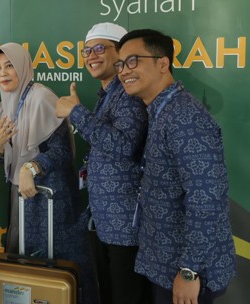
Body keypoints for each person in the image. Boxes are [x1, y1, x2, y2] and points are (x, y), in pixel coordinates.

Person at [116, 29, 235, 304]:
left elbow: (207, 198)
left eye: (133, 61)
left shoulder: (185, 117)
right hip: (165, 264)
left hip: (189, 273)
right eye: (120, 64)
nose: (124, 71)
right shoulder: (160, 110)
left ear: (163, 63)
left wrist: (190, 271)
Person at [0, 42, 98, 304]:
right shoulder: (4, 106)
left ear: (23, 67)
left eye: (9, 66)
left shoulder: (41, 98)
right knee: (26, 271)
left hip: (50, 199)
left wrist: (32, 167)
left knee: (56, 271)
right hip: (20, 196)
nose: (3, 73)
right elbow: (5, 158)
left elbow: (62, 151)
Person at [56, 22, 151, 304]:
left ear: (120, 53)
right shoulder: (107, 94)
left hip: (126, 226)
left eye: (99, 48)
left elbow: (123, 145)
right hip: (104, 220)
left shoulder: (129, 94)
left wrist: (76, 112)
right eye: (86, 50)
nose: (91, 56)